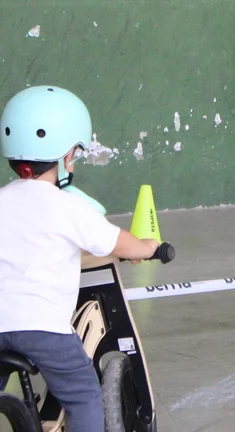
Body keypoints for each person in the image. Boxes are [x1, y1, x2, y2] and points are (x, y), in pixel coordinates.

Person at [0, 85, 160, 432]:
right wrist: (148, 248)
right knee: (83, 395)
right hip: (43, 329)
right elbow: (118, 243)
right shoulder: (68, 205)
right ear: (66, 157)